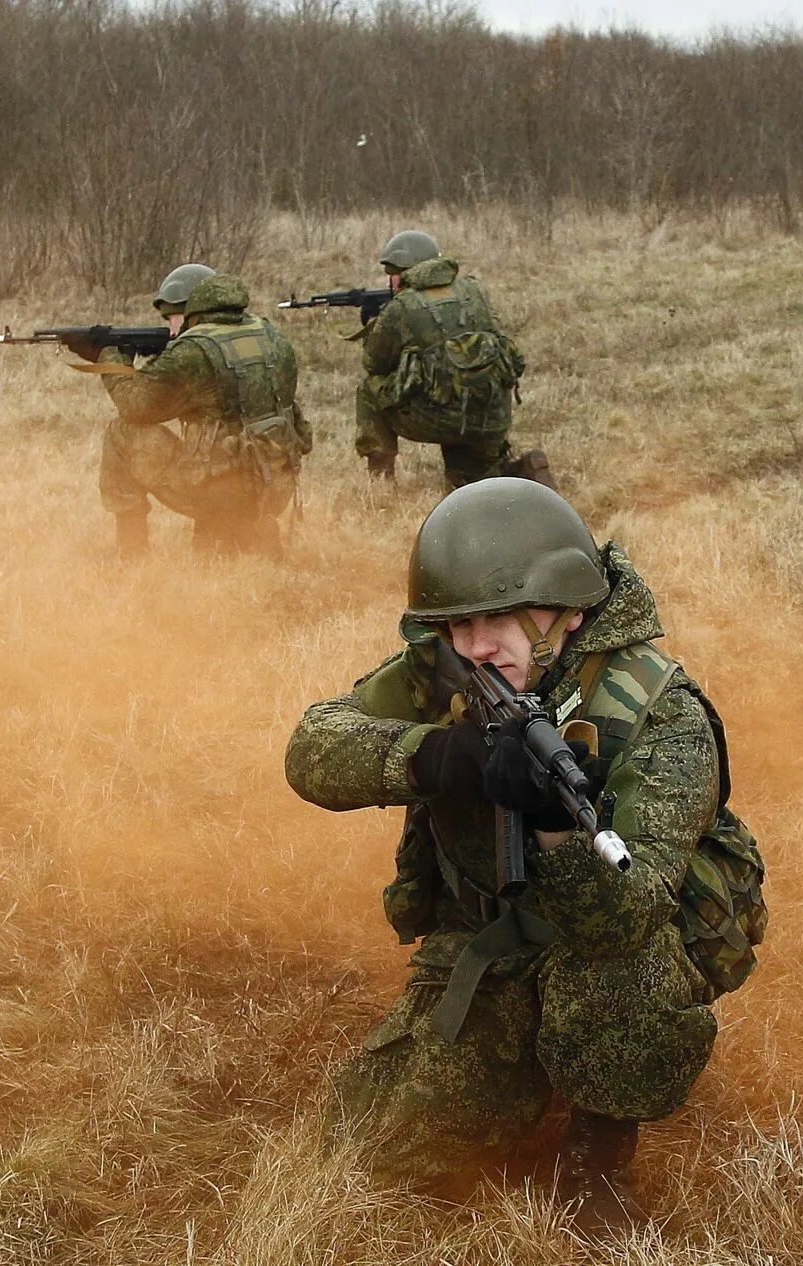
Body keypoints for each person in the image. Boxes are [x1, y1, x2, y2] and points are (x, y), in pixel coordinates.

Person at [285, 478, 764, 1233]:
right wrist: (441, 757)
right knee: (374, 1150)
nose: (478, 644)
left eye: (503, 617)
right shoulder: (450, 667)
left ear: (568, 609)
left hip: (613, 949)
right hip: (494, 940)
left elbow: (625, 920)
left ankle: (600, 1146)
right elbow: (312, 748)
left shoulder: (660, 713)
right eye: (459, 623)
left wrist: (554, 827)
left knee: (622, 979)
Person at [86, 264, 311, 559]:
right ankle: (250, 530)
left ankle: (131, 553)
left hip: (224, 492)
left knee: (122, 431)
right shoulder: (271, 335)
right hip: (276, 485)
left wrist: (110, 358)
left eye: (172, 317)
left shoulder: (192, 352)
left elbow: (135, 407)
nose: (170, 328)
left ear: (191, 308)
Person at [355, 230, 549, 490]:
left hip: (440, 418)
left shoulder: (401, 307)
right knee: (469, 486)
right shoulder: (474, 289)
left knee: (370, 390)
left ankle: (381, 481)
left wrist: (377, 323)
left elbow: (374, 364)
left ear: (401, 272)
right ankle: (522, 472)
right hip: (489, 414)